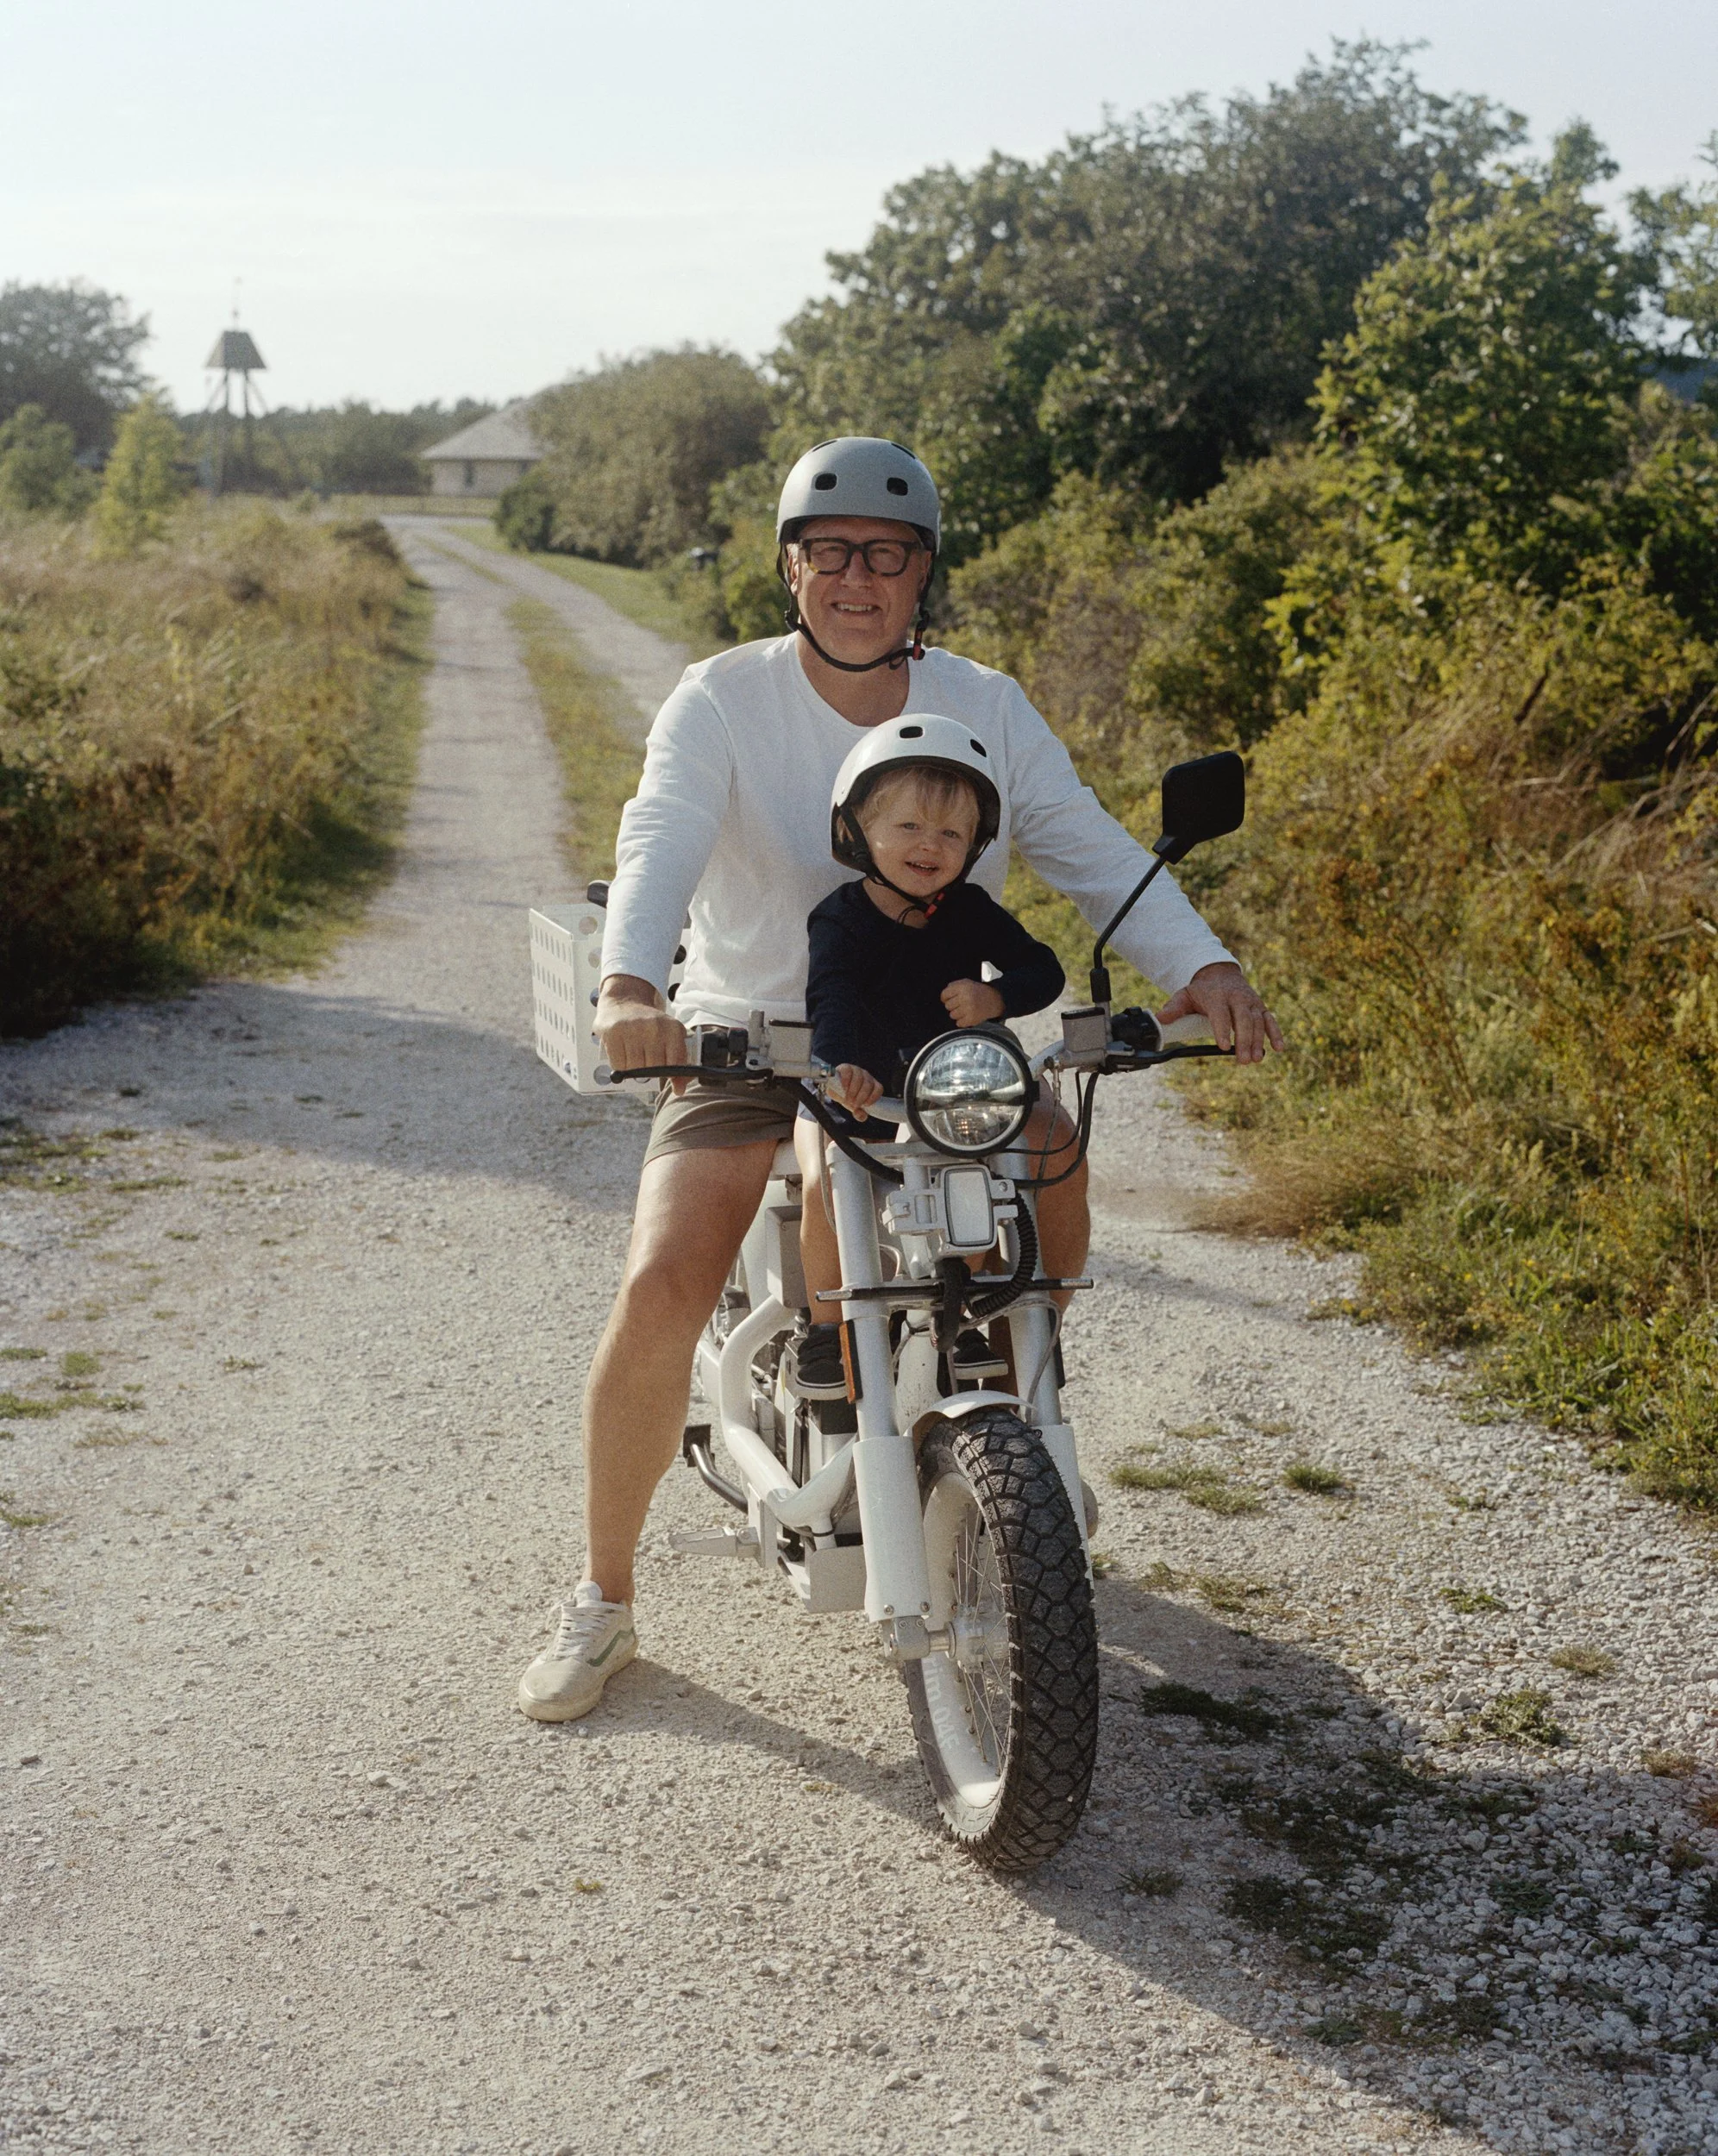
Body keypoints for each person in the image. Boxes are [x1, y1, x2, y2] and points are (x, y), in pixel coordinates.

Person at [517, 436, 1283, 1723]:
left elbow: (1088, 846)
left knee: (1051, 1154)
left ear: (925, 572)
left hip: (934, 1050)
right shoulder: (721, 697)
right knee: (661, 1279)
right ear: (789, 568)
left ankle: (1014, 1424)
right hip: (750, 1037)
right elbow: (656, 843)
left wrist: (1201, 964)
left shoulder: (986, 699)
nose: (856, 578)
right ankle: (601, 1599)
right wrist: (631, 986)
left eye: (887, 554)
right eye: (829, 553)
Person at [791, 719, 1064, 1388]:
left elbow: (1043, 969)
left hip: (944, 1098)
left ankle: (961, 1318)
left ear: (973, 847)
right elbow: (833, 998)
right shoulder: (840, 917)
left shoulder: (969, 910)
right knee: (827, 1177)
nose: (930, 846)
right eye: (908, 827)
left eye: (951, 834)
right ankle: (826, 1329)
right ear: (858, 831)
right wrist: (839, 1069)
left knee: (966, 1184)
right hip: (850, 1088)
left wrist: (994, 998)